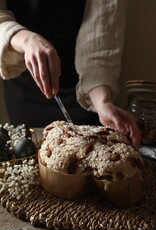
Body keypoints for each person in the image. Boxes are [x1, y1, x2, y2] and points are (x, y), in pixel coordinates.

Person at [0, 0, 140, 149]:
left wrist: (103, 103)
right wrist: (27, 40)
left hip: (82, 90)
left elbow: (100, 36)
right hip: (24, 79)